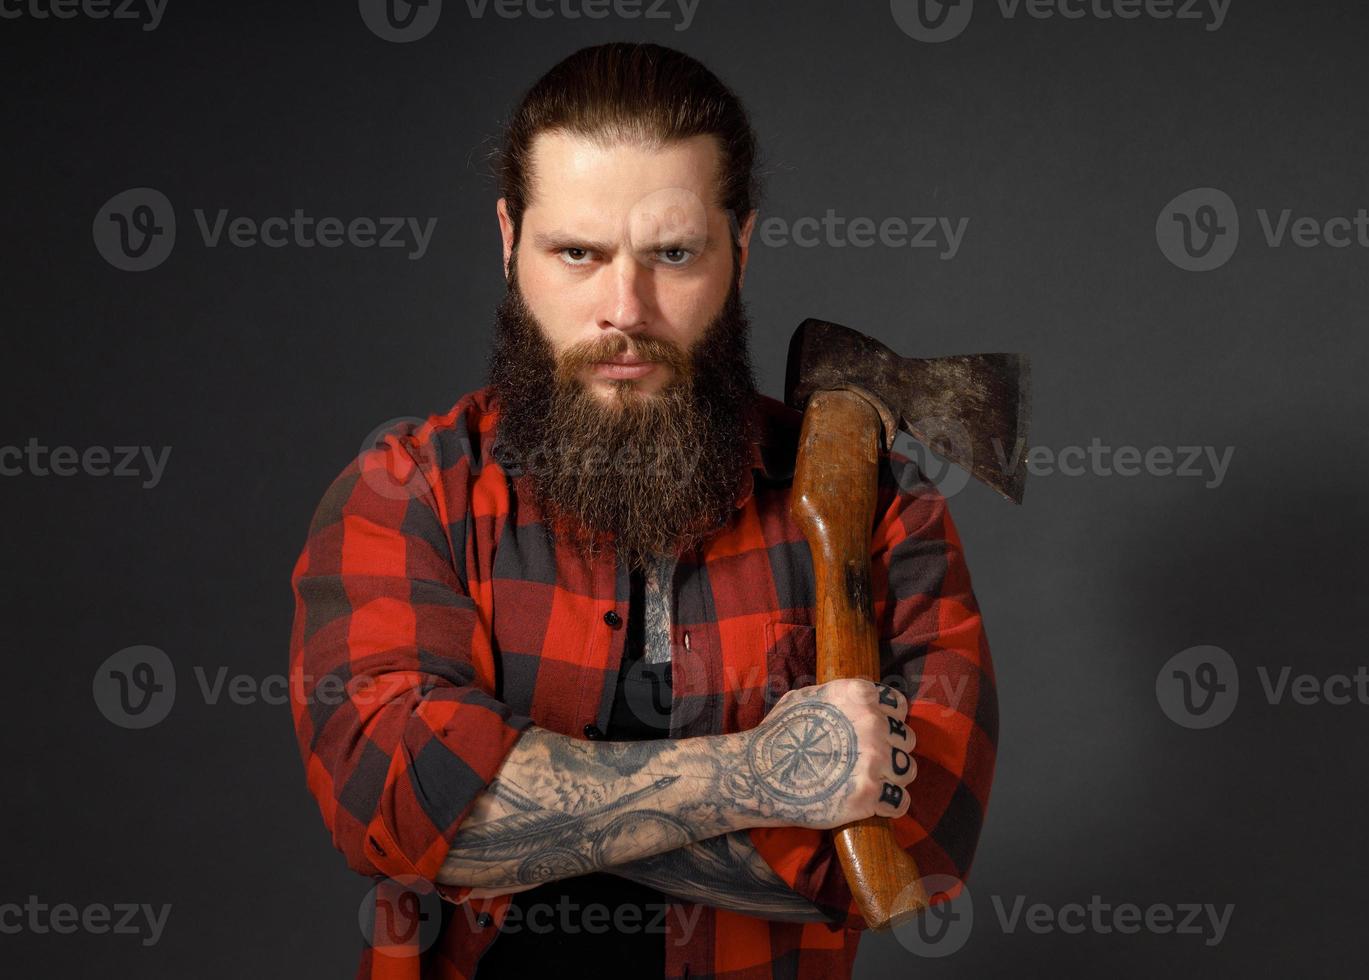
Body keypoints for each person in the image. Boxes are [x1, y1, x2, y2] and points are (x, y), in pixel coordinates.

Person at [288, 41, 997, 980]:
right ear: (509, 242)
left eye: (672, 254)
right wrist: (755, 776)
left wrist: (507, 820)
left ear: (740, 249)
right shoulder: (408, 493)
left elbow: (913, 853)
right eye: (576, 252)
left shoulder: (871, 505)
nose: (625, 308)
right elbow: (396, 801)